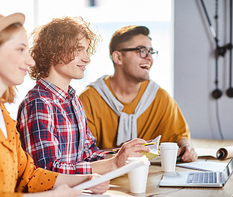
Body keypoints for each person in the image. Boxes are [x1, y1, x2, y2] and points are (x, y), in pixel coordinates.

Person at [0, 5, 109, 197]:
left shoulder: (0, 113)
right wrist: (54, 195)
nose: (31, 61)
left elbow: (28, 176)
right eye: (20, 49)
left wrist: (86, 180)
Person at [16, 17, 150, 175]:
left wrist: (123, 155)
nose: (87, 58)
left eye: (86, 50)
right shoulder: (39, 103)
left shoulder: (72, 99)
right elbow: (47, 173)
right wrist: (114, 163)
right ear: (55, 51)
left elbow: (88, 154)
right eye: (79, 50)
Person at [79, 25, 197, 162]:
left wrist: (187, 147)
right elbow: (83, 152)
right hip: (103, 178)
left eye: (151, 52)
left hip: (150, 177)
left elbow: (180, 136)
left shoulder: (159, 97)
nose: (149, 58)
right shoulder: (88, 99)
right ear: (118, 57)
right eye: (141, 51)